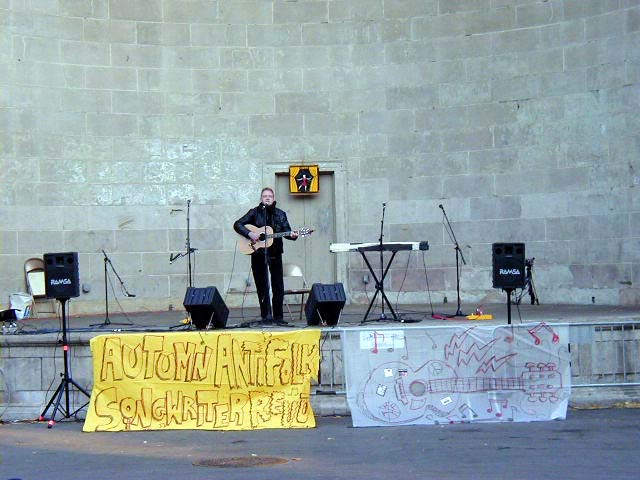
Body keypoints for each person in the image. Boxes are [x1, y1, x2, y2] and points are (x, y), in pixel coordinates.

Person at [233, 187, 298, 324]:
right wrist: (250, 234)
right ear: (261, 199)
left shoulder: (280, 214)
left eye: (270, 196)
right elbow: (237, 224)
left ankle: (278, 317)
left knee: (278, 286)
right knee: (262, 286)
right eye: (264, 196)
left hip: (275, 253)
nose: (267, 198)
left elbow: (287, 232)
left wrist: (293, 235)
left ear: (274, 199)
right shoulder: (254, 212)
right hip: (257, 253)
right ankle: (266, 316)